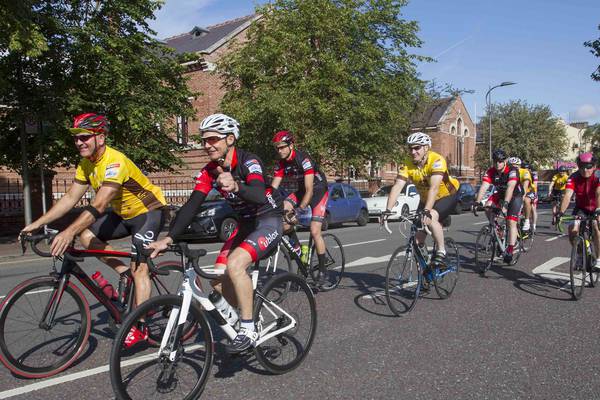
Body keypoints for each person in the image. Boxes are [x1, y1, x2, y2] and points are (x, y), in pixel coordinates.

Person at [20, 113, 168, 347]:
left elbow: (99, 204)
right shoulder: (87, 163)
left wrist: (67, 232)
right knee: (87, 236)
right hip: (123, 214)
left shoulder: (114, 162)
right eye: (77, 138)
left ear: (100, 137)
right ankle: (123, 272)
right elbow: (70, 198)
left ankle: (140, 327)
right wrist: (38, 223)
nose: (79, 142)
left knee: (139, 268)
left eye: (84, 137)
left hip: (148, 212)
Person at [148, 113, 282, 352]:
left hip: (267, 221)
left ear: (230, 139)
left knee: (235, 265)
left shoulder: (248, 161)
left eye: (212, 140)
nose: (206, 145)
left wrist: (237, 185)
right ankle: (241, 315)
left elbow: (260, 194)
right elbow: (192, 205)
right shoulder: (210, 171)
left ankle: (248, 328)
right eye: (204, 140)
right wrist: (167, 239)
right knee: (218, 281)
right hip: (244, 225)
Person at [383, 132, 459, 265]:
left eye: (417, 148)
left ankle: (441, 251)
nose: (413, 151)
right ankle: (427, 272)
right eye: (410, 148)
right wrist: (387, 210)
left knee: (431, 217)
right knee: (417, 240)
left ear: (426, 148)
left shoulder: (436, 160)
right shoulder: (407, 163)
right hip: (425, 199)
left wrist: (427, 211)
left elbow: (434, 188)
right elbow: (397, 186)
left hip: (446, 196)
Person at [269, 130, 330, 285]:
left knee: (315, 231)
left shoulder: (304, 159)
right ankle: (297, 247)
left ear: (291, 145)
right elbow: (272, 190)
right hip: (301, 191)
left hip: (317, 191)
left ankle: (323, 270)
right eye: (277, 148)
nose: (279, 150)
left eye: (282, 147)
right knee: (282, 215)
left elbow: (309, 189)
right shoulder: (281, 164)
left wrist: (299, 211)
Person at [474, 149, 524, 264]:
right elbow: (484, 186)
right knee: (487, 206)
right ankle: (497, 228)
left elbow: (511, 187)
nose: (498, 164)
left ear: (505, 161)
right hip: (500, 194)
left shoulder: (512, 170)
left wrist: (505, 204)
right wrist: (477, 202)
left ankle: (510, 250)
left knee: (511, 222)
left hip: (515, 196)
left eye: (500, 161)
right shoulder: (491, 171)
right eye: (495, 161)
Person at [555, 152, 600, 267]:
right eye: (581, 166)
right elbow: (568, 195)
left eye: (589, 166)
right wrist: (560, 213)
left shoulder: (598, 175)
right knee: (572, 230)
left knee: (596, 227)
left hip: (597, 206)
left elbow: (598, 193)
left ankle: (599, 259)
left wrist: (598, 210)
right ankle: (580, 254)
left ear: (594, 166)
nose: (585, 170)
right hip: (581, 208)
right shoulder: (573, 177)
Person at [522, 160, 538, 232]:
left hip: (532, 191)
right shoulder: (521, 173)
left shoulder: (534, 174)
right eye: (524, 168)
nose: (526, 170)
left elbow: (535, 185)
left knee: (533, 208)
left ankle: (533, 225)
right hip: (523, 192)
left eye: (528, 169)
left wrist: (535, 196)